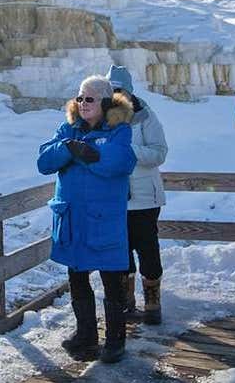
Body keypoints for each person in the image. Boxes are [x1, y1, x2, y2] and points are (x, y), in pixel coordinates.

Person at [37, 75, 138, 363]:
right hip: (73, 218)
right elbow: (44, 162)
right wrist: (67, 148)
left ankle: (115, 341)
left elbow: (120, 163)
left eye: (90, 98)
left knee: (111, 280)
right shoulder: (68, 128)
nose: (83, 104)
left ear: (106, 102)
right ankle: (86, 335)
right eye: (80, 97)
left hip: (102, 219)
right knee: (77, 277)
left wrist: (84, 153)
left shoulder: (119, 130)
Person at [107, 64, 169, 325]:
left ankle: (153, 300)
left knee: (148, 249)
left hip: (144, 197)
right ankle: (126, 299)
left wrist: (129, 152)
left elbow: (159, 152)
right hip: (116, 197)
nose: (115, 95)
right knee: (121, 250)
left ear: (129, 91)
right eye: (111, 90)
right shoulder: (103, 117)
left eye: (119, 89)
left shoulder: (145, 116)